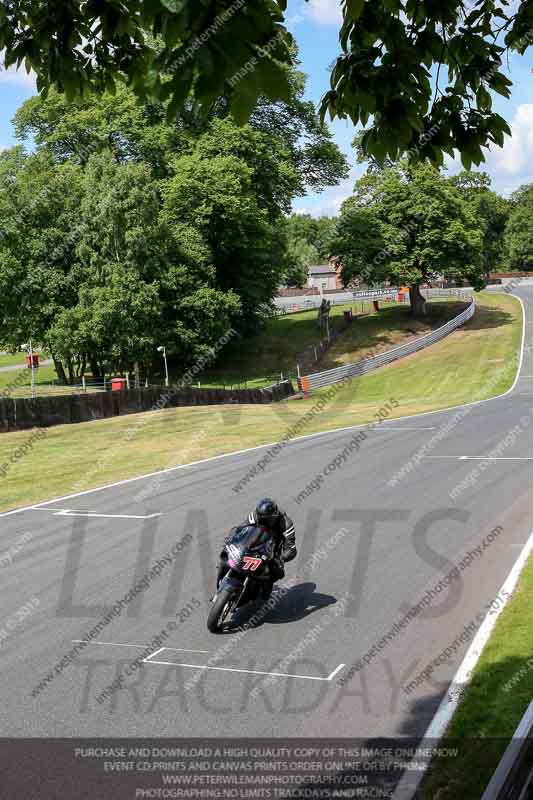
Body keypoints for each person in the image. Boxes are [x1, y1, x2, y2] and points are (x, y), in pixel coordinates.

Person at [214, 498, 297, 595]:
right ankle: (221, 582)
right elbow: (242, 528)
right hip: (255, 541)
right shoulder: (255, 515)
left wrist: (281, 558)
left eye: (266, 519)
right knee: (227, 555)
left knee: (277, 572)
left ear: (274, 516)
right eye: (261, 518)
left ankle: (265, 589)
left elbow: (291, 547)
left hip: (273, 548)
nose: (263, 520)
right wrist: (232, 537)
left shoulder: (286, 524)